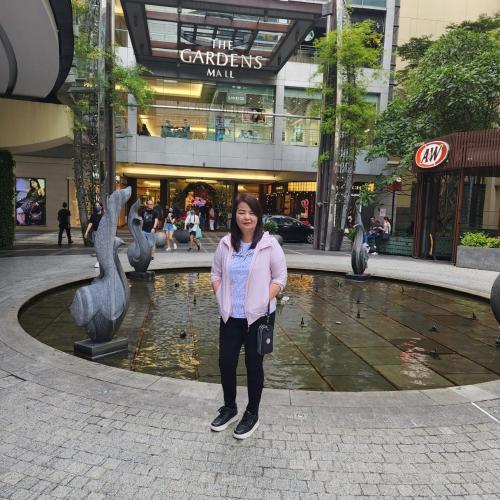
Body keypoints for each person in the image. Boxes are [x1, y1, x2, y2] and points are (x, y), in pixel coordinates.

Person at [210, 193, 287, 440]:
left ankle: (252, 413)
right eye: (242, 212)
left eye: (252, 212)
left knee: (254, 366)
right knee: (225, 363)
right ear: (235, 215)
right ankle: (229, 407)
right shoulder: (225, 244)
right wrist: (221, 296)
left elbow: (280, 278)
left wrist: (262, 299)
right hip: (231, 316)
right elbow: (215, 274)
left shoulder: (269, 244)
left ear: (258, 217)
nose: (247, 217)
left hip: (259, 318)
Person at [84, 202, 104, 268]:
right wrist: (86, 232)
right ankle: (98, 261)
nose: (97, 206)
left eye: (98, 205)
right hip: (95, 233)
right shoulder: (93, 215)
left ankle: (103, 261)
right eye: (96, 205)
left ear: (101, 206)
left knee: (102, 248)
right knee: (97, 248)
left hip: (102, 234)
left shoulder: (104, 215)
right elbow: (90, 224)